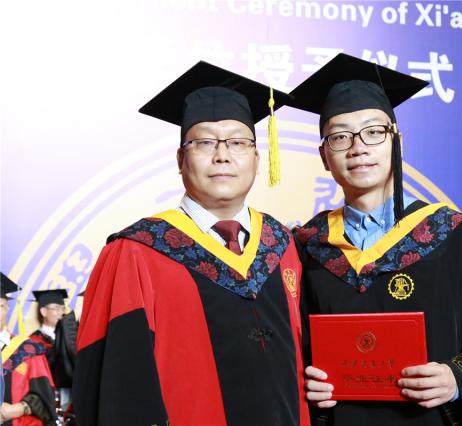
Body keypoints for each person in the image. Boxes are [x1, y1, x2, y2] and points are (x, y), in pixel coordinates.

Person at [289, 53, 462, 425]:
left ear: (397, 142)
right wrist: (307, 382)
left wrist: (456, 379)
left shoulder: (452, 234)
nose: (357, 148)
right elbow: (292, 348)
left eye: (373, 132)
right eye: (339, 137)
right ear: (324, 156)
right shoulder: (308, 246)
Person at [73, 61, 310, 425]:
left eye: (238, 142)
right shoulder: (137, 252)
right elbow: (118, 387)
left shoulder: (282, 246)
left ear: (256, 159)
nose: (222, 155)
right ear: (181, 159)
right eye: (204, 143)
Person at [0, 273, 56, 425]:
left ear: (7, 308)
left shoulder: (28, 350)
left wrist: (20, 408)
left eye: (0, 306)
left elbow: (46, 397)